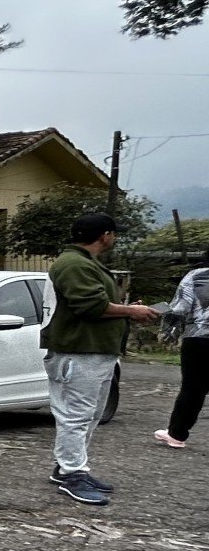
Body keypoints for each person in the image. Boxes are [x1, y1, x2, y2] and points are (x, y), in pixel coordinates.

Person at [42, 212, 159, 503]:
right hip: (79, 352)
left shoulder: (83, 263)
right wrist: (131, 311)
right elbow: (90, 305)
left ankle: (68, 467)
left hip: (92, 352)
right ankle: (72, 474)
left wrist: (127, 308)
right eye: (113, 235)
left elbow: (95, 303)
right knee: (75, 416)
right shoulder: (74, 264)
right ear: (106, 235)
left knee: (90, 414)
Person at [154, 258, 208, 448]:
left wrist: (168, 333)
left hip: (199, 338)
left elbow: (179, 308)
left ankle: (177, 435)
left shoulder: (197, 276)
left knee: (193, 388)